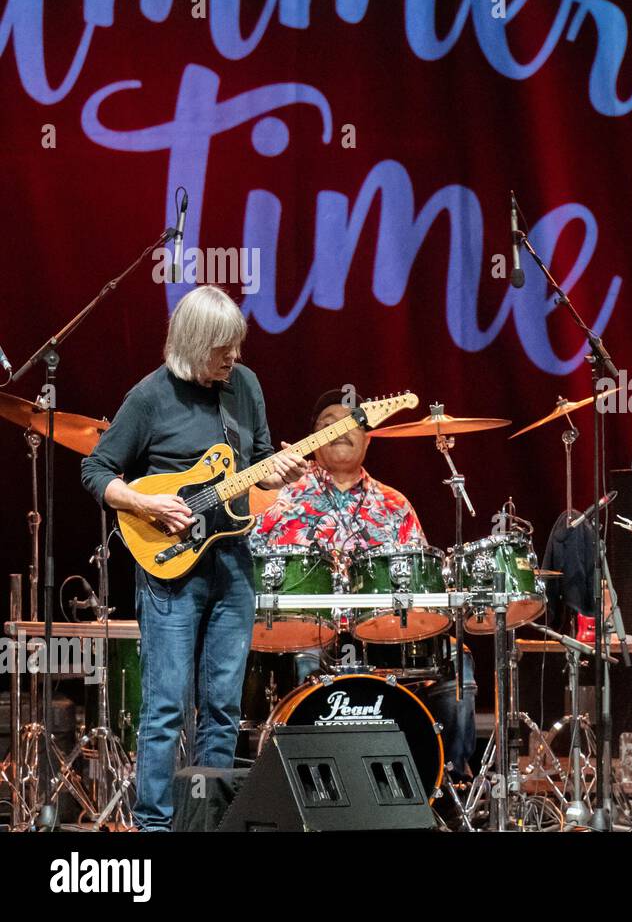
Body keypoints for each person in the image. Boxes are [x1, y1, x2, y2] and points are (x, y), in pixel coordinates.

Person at [81, 286, 308, 830]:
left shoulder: (245, 386)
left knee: (224, 706)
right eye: (220, 348)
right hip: (169, 567)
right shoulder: (150, 397)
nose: (232, 357)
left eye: (235, 346)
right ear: (191, 344)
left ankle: (211, 821)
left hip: (232, 562)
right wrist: (142, 500)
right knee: (164, 709)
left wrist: (278, 474)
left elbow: (257, 468)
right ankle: (154, 826)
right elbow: (95, 470)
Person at [252, 388, 478, 781]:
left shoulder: (395, 505)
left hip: (383, 636)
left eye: (350, 422)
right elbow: (248, 573)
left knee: (458, 658)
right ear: (313, 438)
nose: (339, 429)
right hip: (302, 634)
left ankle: (449, 782)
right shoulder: (275, 498)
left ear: (368, 436)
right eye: (327, 423)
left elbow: (422, 593)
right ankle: (301, 783)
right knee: (300, 655)